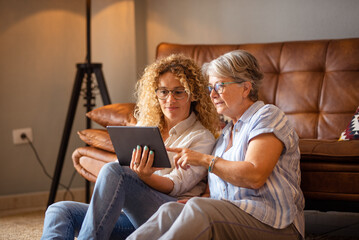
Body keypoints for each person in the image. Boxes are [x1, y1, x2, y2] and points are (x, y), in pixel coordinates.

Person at [127, 50, 305, 240]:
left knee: (199, 209)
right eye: (209, 88)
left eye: (219, 86)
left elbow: (255, 176)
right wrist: (201, 201)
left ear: (246, 88)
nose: (212, 95)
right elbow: (220, 194)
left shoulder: (267, 116)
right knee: (171, 209)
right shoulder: (225, 135)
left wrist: (204, 160)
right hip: (235, 217)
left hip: (276, 224)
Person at [41, 54, 220, 240]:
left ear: (193, 94)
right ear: (155, 93)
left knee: (114, 170)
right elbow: (124, 169)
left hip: (168, 213)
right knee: (59, 210)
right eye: (163, 92)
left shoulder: (201, 137)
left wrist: (145, 176)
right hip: (130, 214)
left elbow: (175, 185)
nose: (170, 99)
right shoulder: (146, 125)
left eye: (178, 92)